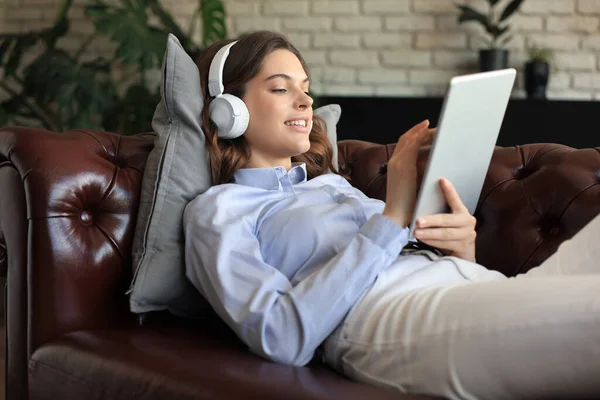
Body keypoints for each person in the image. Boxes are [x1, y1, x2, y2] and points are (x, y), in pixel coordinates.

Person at [183, 30, 600, 400]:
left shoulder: (330, 184)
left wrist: (462, 251)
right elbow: (281, 336)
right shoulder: (219, 210)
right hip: (387, 321)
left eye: (306, 88)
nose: (306, 100)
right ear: (229, 109)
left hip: (474, 286)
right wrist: (394, 214)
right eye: (280, 89)